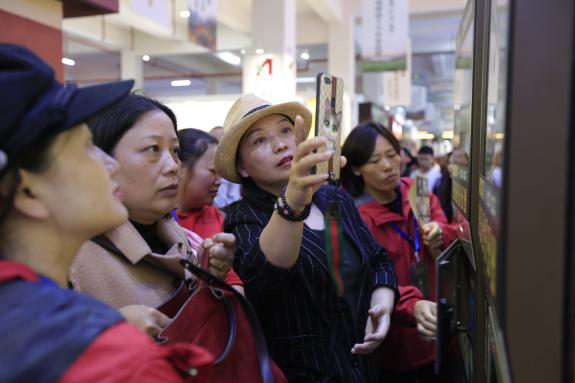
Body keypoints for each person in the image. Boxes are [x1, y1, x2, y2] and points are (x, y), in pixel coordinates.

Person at [0, 44, 213, 382]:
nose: (109, 164)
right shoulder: (119, 362)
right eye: (86, 148)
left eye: (174, 151)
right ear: (28, 191)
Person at [215, 94, 398, 382]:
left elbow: (378, 259)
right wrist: (293, 200)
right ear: (242, 168)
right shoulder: (243, 217)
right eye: (259, 140)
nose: (280, 144)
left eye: (286, 131)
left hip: (363, 370)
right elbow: (263, 275)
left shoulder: (333, 198)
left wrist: (382, 306)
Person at [69, 94, 238, 337]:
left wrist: (210, 277)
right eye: (152, 149)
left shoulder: (181, 239)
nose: (173, 166)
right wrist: (110, 329)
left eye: (176, 151)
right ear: (103, 159)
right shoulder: (72, 256)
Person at [341, 122, 458, 382]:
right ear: (357, 168)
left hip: (438, 328)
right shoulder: (354, 217)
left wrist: (440, 231)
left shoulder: (419, 191)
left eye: (392, 155)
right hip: (393, 346)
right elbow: (366, 279)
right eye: (375, 160)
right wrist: (410, 305)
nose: (387, 165)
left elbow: (451, 232)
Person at [174, 128, 244, 292]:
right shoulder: (158, 222)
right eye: (213, 171)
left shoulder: (219, 218)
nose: (219, 181)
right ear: (180, 168)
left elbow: (232, 280)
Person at [210, 126, 242, 209]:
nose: (221, 147)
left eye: (225, 141)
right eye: (216, 142)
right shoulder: (209, 174)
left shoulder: (240, 168)